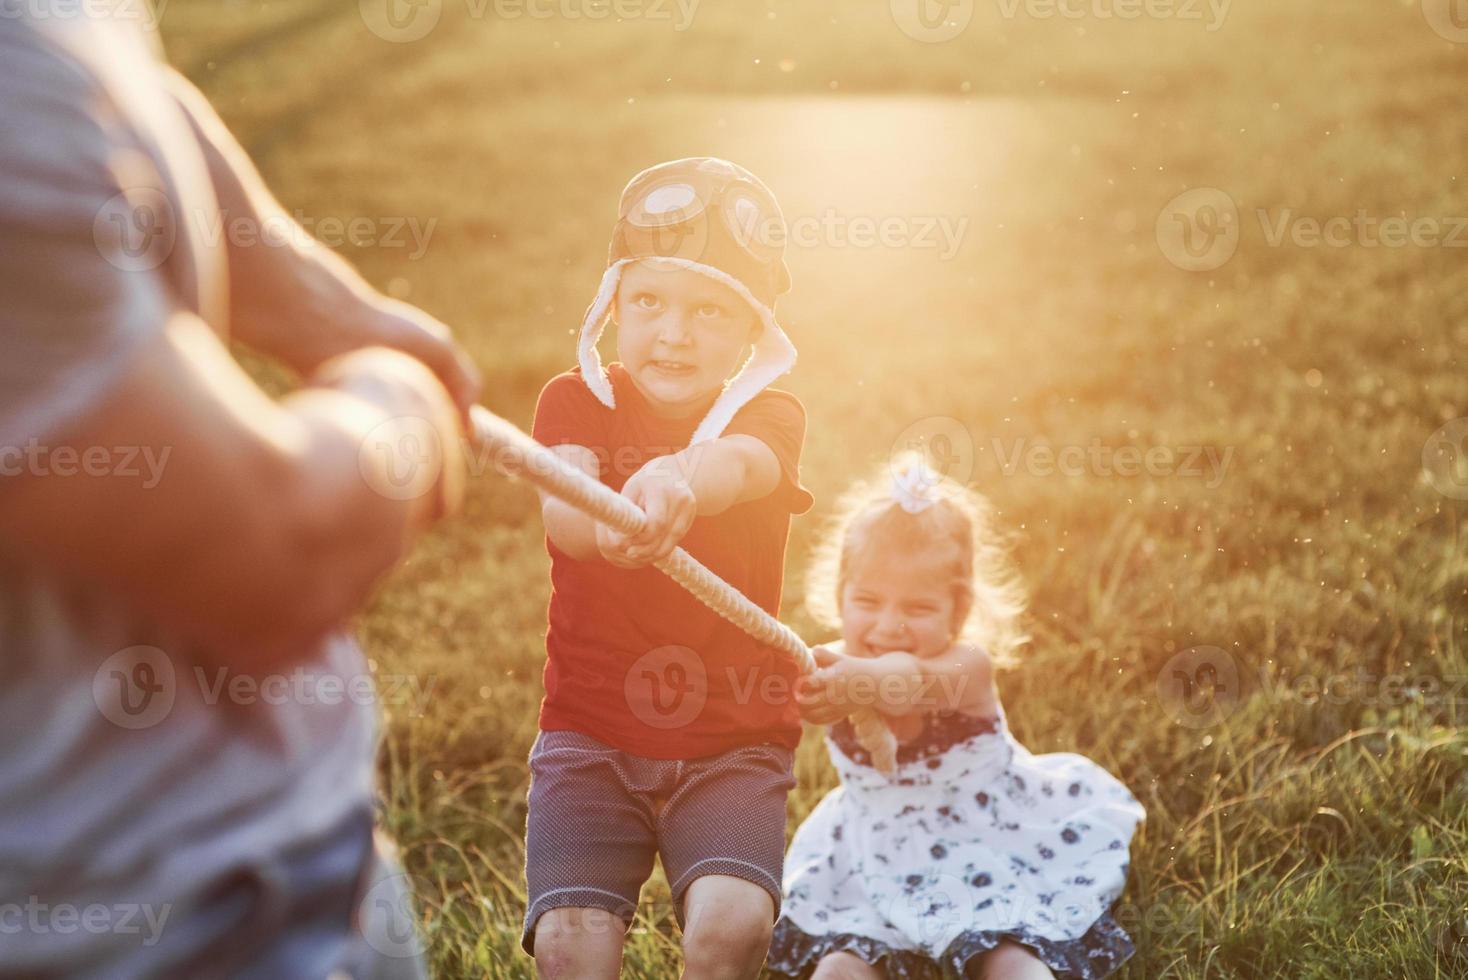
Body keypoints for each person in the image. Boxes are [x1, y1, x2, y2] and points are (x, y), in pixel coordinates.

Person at [0, 7, 479, 977]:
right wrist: (402, 410)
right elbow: (278, 554)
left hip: (285, 876)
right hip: (147, 932)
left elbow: (102, 87)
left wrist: (326, 306)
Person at [522, 157, 815, 979]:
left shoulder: (770, 413)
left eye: (710, 311)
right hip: (590, 728)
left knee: (734, 923)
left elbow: (744, 467)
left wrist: (679, 479)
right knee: (570, 940)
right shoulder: (573, 401)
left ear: (752, 333)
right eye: (648, 301)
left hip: (733, 736)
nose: (674, 333)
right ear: (613, 306)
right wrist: (610, 516)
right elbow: (569, 514)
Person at [766, 460, 1145, 979]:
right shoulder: (832, 664)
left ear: (958, 610)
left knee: (1011, 957)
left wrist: (858, 680)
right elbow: (790, 690)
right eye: (868, 601)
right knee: (838, 969)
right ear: (841, 597)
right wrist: (806, 691)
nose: (888, 625)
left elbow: (904, 682)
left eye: (918, 608)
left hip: (990, 840)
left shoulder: (966, 669)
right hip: (872, 851)